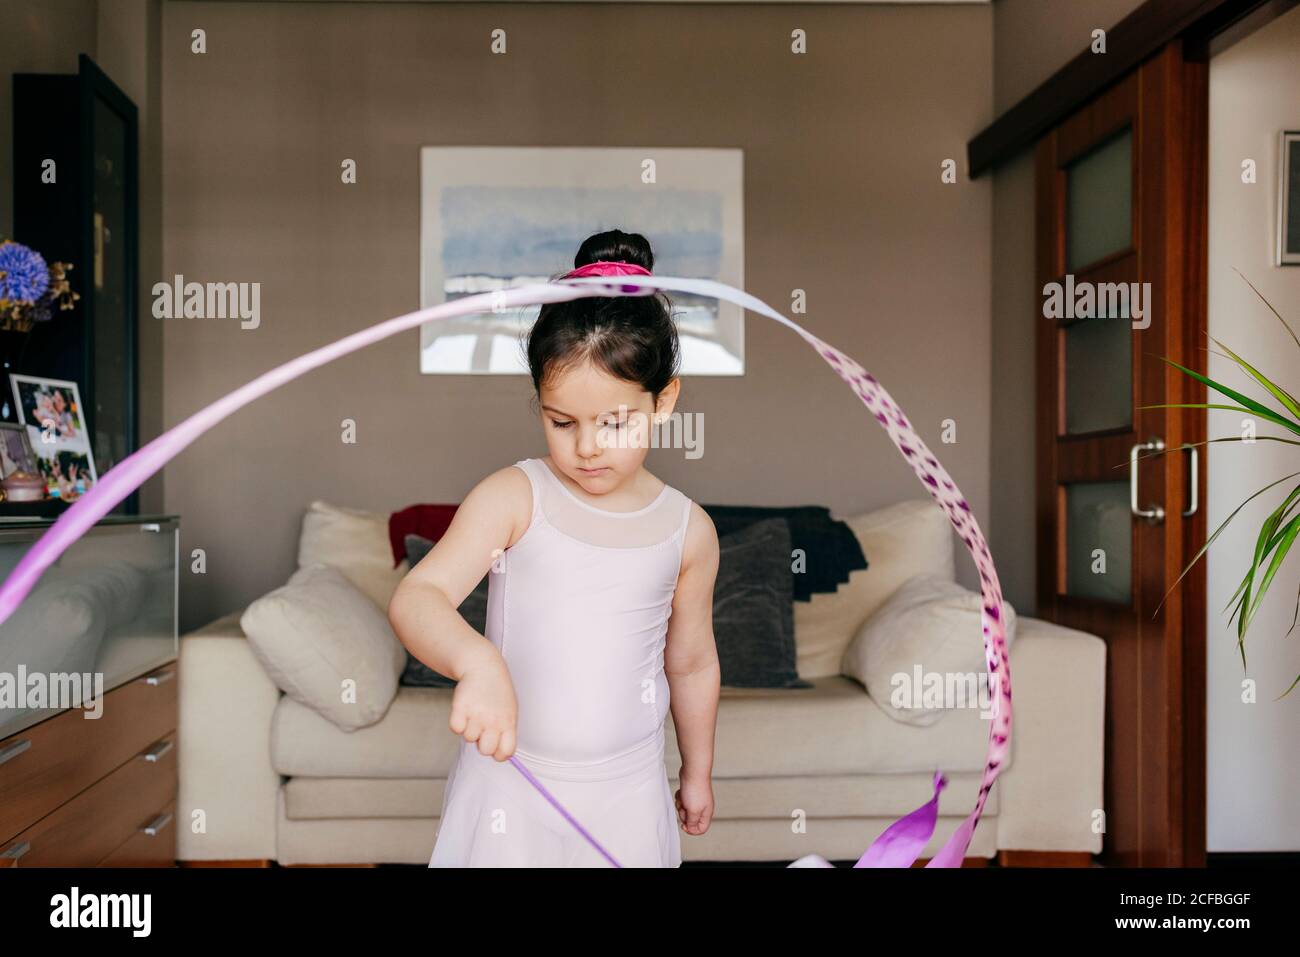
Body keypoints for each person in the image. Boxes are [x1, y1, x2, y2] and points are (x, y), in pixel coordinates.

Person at [389, 229, 720, 867]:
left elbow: (691, 664)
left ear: (665, 401)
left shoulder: (688, 529)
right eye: (561, 421)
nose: (587, 447)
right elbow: (418, 597)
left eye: (614, 422)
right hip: (511, 786)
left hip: (629, 794)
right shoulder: (515, 497)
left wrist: (697, 772)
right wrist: (476, 662)